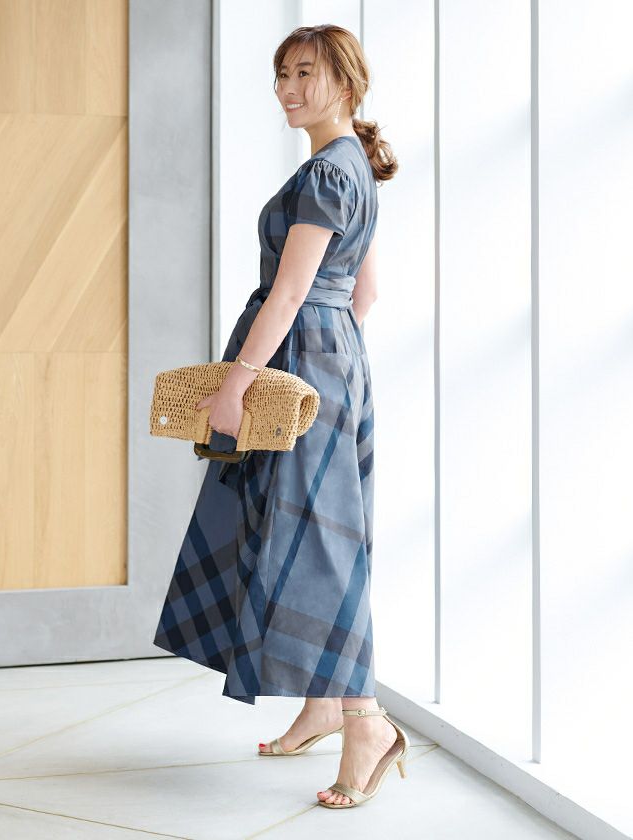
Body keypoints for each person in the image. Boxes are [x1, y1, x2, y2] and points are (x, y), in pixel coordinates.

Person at [153, 24, 405, 808]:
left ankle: (366, 721)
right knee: (319, 534)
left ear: (346, 83)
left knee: (318, 543)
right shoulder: (353, 164)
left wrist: (240, 383)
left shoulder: (328, 172)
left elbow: (292, 291)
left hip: (302, 361)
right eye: (282, 74)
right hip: (334, 361)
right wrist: (333, 358)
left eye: (305, 74)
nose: (288, 89)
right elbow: (364, 294)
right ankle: (326, 704)